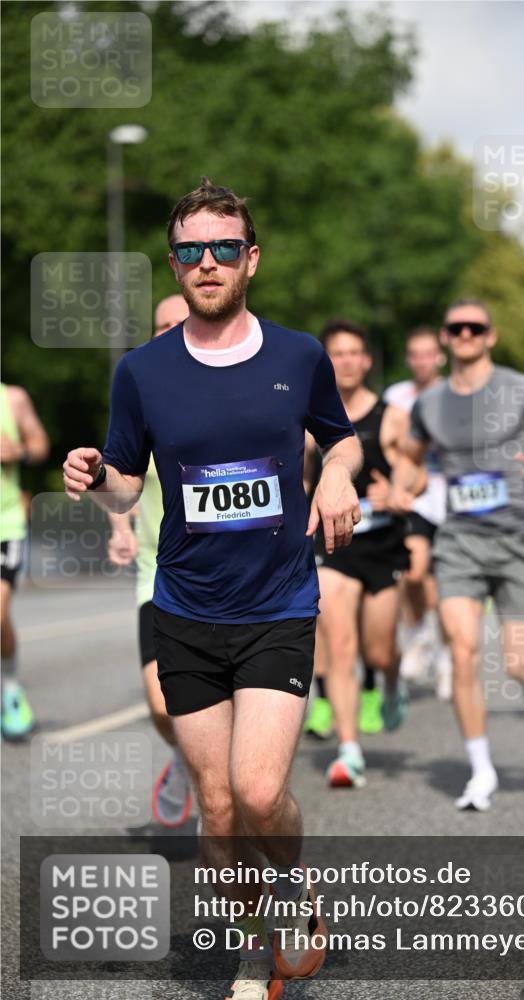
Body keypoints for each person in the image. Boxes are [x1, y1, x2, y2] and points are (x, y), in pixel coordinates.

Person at [63, 178, 362, 1000]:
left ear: (251, 259)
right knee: (220, 809)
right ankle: (250, 943)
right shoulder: (143, 370)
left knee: (262, 792)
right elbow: (125, 483)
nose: (206, 262)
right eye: (190, 249)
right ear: (174, 261)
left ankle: (296, 892)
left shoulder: (298, 355)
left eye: (223, 247)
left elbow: (342, 441)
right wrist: (91, 476)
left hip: (277, 604)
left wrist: (337, 476)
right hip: (186, 612)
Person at [390, 298, 524, 811]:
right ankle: (480, 771)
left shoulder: (520, 388)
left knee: (518, 666)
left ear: (490, 336)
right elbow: (410, 459)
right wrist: (401, 489)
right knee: (464, 648)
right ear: (446, 337)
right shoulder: (428, 404)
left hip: (516, 540)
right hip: (460, 542)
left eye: (476, 327)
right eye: (457, 328)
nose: (467, 334)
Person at [310, 321, 411, 788]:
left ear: (367, 361)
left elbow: (415, 472)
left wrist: (401, 490)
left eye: (355, 353)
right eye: (337, 353)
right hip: (334, 547)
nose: (347, 361)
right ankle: (348, 750)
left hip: (382, 547)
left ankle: (391, 681)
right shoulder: (310, 420)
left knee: (378, 648)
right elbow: (300, 479)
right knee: (340, 646)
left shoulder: (391, 416)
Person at [106, 294, 192, 826]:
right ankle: (185, 759)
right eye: (159, 326)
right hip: (158, 577)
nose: (167, 332)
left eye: (176, 324)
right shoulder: (140, 391)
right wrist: (120, 527)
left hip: (225, 580)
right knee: (163, 705)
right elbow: (119, 475)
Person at [384, 327, 452, 700]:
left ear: (439, 356)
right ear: (410, 358)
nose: (422, 360)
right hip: (415, 497)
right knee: (413, 570)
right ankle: (420, 633)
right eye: (416, 354)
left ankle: (446, 659)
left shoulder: (455, 393)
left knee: (443, 589)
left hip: (453, 498)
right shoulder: (396, 397)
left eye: (429, 353)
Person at [1, 383, 49, 739]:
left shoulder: (13, 398)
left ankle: (10, 688)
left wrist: (18, 450)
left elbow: (40, 445)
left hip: (4, 525)